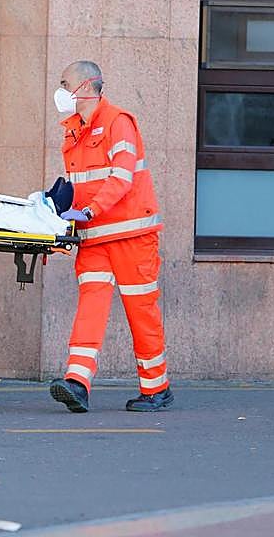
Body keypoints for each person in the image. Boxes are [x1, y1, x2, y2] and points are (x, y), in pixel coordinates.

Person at [47, 60, 172, 413]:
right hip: (95, 237)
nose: (60, 91)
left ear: (86, 86)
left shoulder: (118, 123)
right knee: (91, 306)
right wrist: (57, 213)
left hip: (132, 236)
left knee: (140, 311)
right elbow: (77, 186)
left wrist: (88, 212)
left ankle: (156, 388)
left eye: (64, 83)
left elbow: (122, 177)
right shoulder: (74, 130)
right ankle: (77, 383)